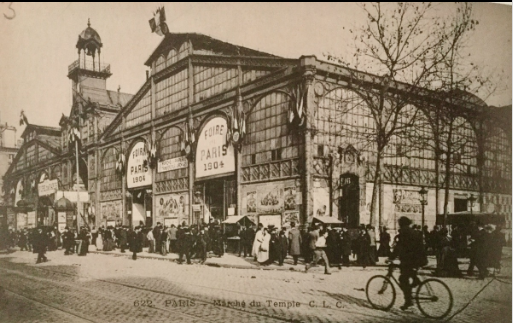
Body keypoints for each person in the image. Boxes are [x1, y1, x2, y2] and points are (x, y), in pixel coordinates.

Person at [388, 216, 426, 310]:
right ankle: (415, 280)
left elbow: (398, 247)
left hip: (409, 260)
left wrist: (391, 258)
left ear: (401, 224)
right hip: (418, 259)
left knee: (403, 279)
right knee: (408, 274)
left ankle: (408, 301)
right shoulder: (415, 232)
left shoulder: (403, 233)